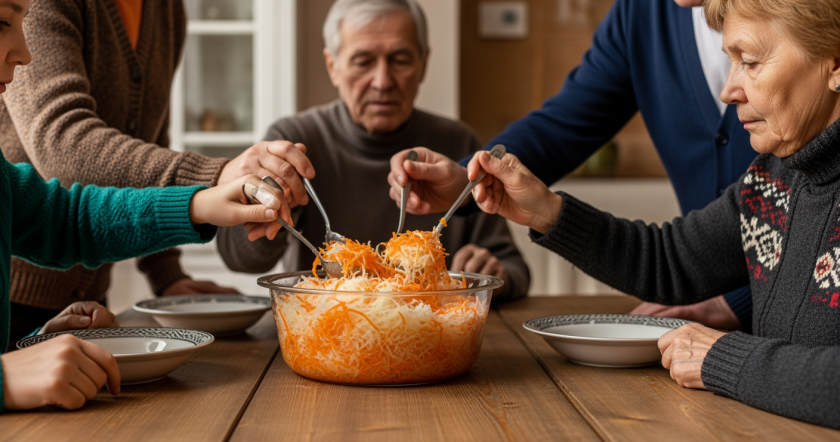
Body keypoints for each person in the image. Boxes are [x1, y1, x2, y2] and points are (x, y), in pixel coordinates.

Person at [457, 0, 840, 429]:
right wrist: (546, 212)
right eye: (731, 61)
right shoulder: (773, 178)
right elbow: (671, 260)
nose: (729, 90)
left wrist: (724, 357)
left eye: (750, 62)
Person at [387, 0, 756, 329]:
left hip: (793, 313)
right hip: (697, 306)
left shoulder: (801, 19)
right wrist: (467, 180)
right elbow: (566, 122)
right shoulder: (642, 11)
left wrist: (740, 302)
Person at [0, 0, 304, 346]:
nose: (24, 55)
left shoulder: (166, 9)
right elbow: (63, 144)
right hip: (16, 291)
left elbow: (77, 214)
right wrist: (216, 175)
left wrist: (168, 269)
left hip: (81, 305)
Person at [217, 0, 530, 301]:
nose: (382, 81)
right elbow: (240, 259)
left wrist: (489, 276)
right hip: (326, 340)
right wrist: (277, 208)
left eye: (400, 60)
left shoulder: (457, 142)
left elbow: (514, 270)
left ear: (424, 64)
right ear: (333, 66)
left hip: (429, 337)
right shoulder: (292, 141)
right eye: (363, 61)